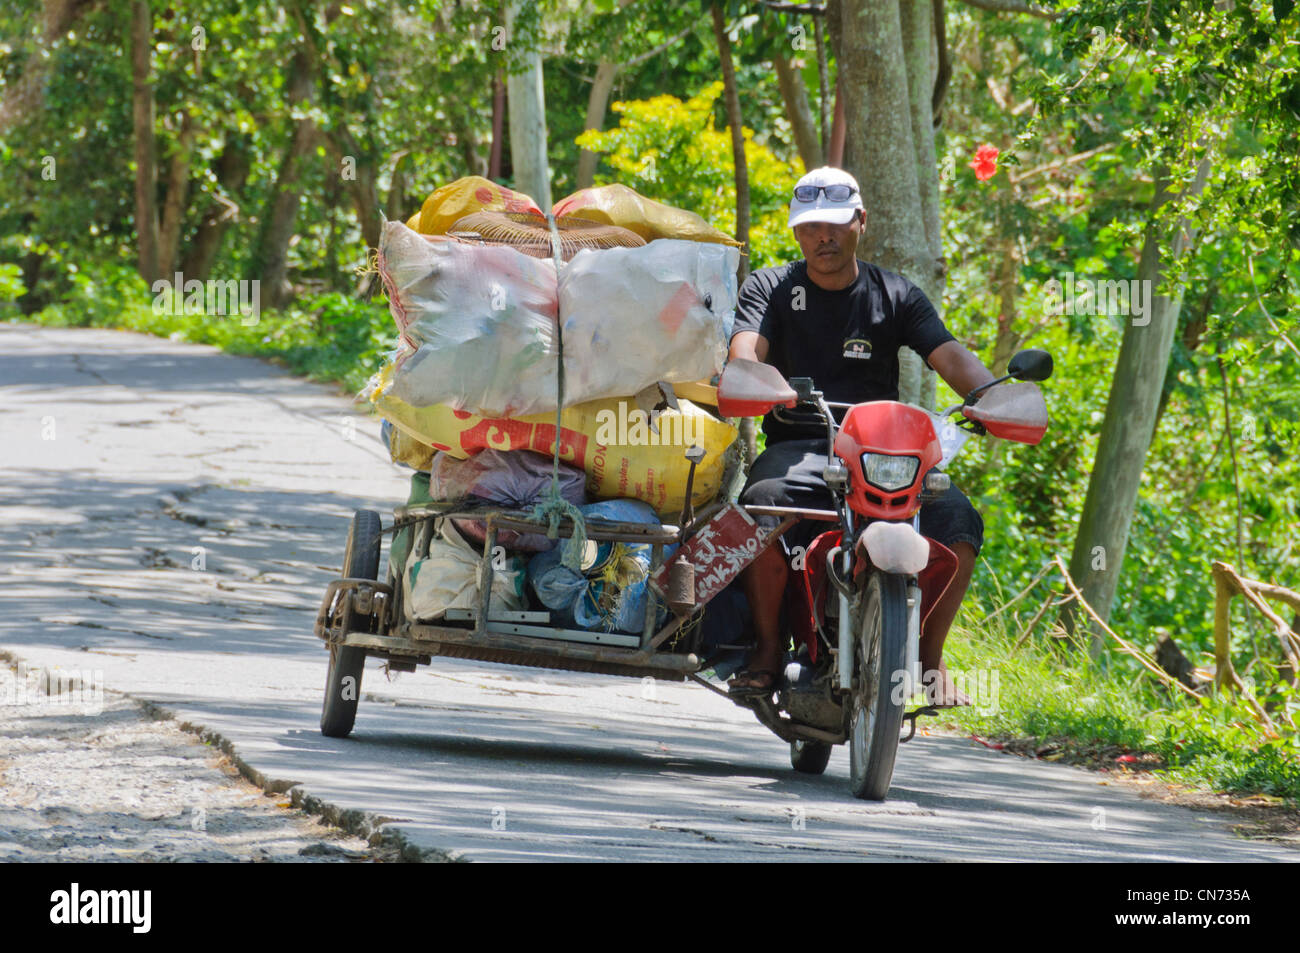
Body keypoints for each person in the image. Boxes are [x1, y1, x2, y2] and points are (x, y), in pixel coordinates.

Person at [726, 167, 995, 706]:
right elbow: (745, 350)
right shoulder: (771, 288)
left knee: (959, 523)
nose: (823, 237)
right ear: (797, 232)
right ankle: (769, 649)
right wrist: (750, 377)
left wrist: (994, 395)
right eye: (811, 227)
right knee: (759, 507)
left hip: (884, 453)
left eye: (836, 224)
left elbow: (949, 355)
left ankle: (928, 659)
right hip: (799, 445)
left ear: (861, 222)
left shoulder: (895, 294)